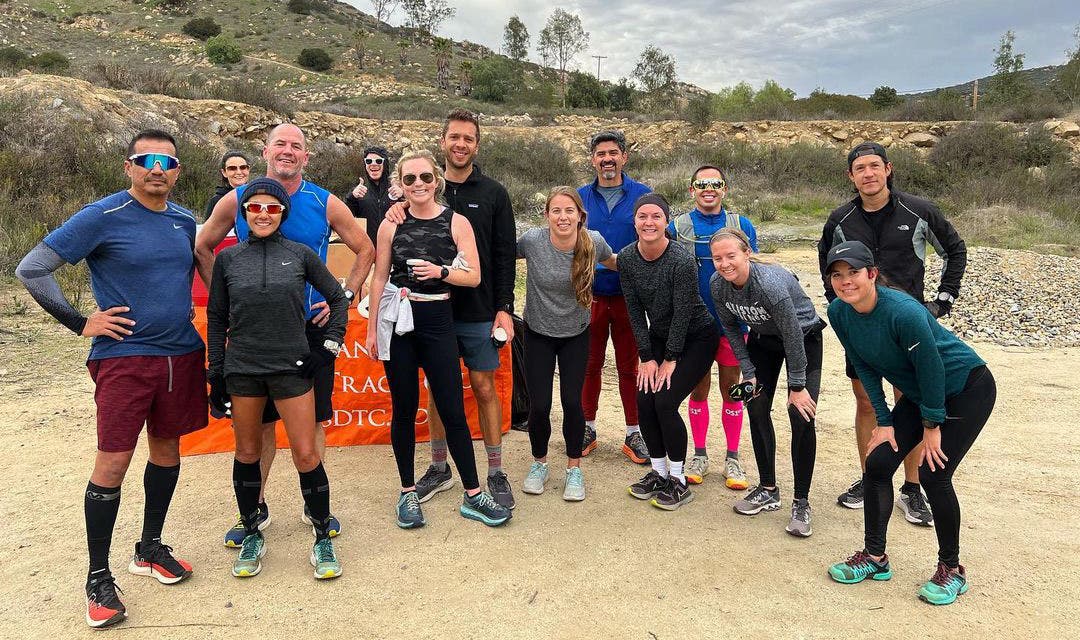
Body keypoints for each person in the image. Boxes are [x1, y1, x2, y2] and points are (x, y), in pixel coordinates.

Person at [15, 130, 208, 628]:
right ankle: (98, 577)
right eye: (146, 159)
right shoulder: (102, 215)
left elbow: (200, 274)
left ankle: (148, 548)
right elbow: (33, 268)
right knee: (114, 461)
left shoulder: (186, 221)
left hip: (180, 354)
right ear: (129, 166)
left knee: (167, 452)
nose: (156, 168)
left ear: (178, 171)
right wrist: (82, 322)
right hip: (124, 359)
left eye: (167, 161)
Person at [196, 124, 375, 547]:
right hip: (256, 335)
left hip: (309, 331)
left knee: (312, 424)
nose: (288, 151)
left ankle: (314, 510)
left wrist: (342, 297)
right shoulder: (238, 199)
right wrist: (230, 302)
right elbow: (203, 247)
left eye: (296, 146)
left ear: (306, 156)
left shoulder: (324, 201)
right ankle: (254, 509)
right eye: (281, 143)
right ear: (266, 150)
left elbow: (365, 249)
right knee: (257, 431)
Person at [824, 240, 994, 606]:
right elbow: (864, 365)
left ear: (871, 274)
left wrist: (932, 427)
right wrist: (884, 421)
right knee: (879, 463)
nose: (845, 281)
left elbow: (930, 368)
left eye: (853, 272)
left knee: (934, 474)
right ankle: (874, 558)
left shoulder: (903, 311)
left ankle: (952, 569)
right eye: (837, 275)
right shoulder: (838, 312)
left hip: (966, 387)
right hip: (922, 393)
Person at [207, 178, 349, 579]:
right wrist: (214, 373)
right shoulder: (229, 260)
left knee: (306, 454)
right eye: (255, 208)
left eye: (272, 207)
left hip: (291, 367)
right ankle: (252, 531)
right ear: (244, 213)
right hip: (244, 370)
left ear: (283, 212)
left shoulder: (301, 254)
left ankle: (322, 536)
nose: (263, 214)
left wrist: (328, 349)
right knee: (247, 453)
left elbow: (337, 298)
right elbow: (216, 317)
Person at [820, 141, 967, 527]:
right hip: (862, 324)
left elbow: (955, 250)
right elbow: (827, 267)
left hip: (907, 323)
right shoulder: (840, 219)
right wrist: (842, 307)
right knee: (866, 401)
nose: (867, 174)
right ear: (850, 177)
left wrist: (942, 301)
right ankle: (873, 477)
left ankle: (912, 487)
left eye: (874, 166)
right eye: (859, 169)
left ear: (888, 169)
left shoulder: (918, 211)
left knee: (910, 402)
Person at [366, 149, 511, 529]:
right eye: (410, 179)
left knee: (451, 407)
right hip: (398, 321)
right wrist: (371, 330)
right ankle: (407, 492)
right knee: (404, 407)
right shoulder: (389, 224)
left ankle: (474, 493)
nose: (418, 185)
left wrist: (440, 270)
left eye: (425, 178)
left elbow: (475, 276)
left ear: (437, 181)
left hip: (438, 319)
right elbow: (380, 277)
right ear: (400, 183)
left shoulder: (456, 222)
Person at [710, 229, 825, 537]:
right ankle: (768, 488)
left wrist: (797, 386)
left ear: (747, 253)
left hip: (804, 339)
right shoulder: (717, 285)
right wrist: (748, 371)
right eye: (717, 258)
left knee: (800, 414)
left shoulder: (769, 284)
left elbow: (793, 335)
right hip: (762, 342)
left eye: (731, 256)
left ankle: (801, 501)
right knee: (754, 403)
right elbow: (732, 329)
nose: (724, 263)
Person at [620, 194, 719, 511]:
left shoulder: (680, 259)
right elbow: (634, 311)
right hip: (660, 336)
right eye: (643, 216)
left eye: (656, 217)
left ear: (666, 222)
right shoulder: (626, 259)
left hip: (697, 336)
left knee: (664, 400)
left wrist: (670, 359)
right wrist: (647, 356)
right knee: (643, 400)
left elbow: (683, 312)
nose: (649, 222)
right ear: (634, 222)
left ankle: (679, 480)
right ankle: (659, 472)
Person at [517, 187, 616, 502]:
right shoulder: (533, 241)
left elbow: (617, 262)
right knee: (541, 405)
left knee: (573, 403)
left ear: (580, 215)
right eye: (556, 211)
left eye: (569, 210)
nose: (562, 217)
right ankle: (540, 464)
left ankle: (574, 470)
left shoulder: (593, 242)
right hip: (537, 333)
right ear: (546, 215)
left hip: (576, 333)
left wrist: (655, 259)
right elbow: (497, 252)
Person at [667, 165, 758, 489]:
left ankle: (733, 457)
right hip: (695, 328)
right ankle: (700, 454)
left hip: (736, 326)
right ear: (691, 189)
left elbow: (755, 273)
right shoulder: (676, 227)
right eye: (701, 183)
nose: (709, 188)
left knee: (734, 392)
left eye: (715, 183)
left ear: (724, 188)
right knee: (698, 390)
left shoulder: (741, 225)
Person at [577, 130, 653, 464]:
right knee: (588, 365)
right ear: (592, 159)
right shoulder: (579, 197)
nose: (607, 159)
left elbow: (655, 238)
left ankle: (634, 432)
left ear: (624, 156)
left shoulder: (642, 195)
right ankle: (587, 427)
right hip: (587, 294)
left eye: (613, 153)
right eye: (600, 154)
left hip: (629, 295)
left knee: (629, 367)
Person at [344, 145, 403, 249]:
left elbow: (413, 212)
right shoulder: (360, 190)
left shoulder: (395, 188)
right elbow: (346, 218)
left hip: (394, 248)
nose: (374, 164)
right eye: (369, 161)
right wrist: (352, 197)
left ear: (385, 164)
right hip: (368, 250)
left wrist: (403, 195)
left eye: (379, 161)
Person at [206, 150, 251, 218]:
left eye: (243, 167)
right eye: (232, 168)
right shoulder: (217, 201)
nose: (239, 172)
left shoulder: (256, 196)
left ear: (248, 170)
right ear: (224, 172)